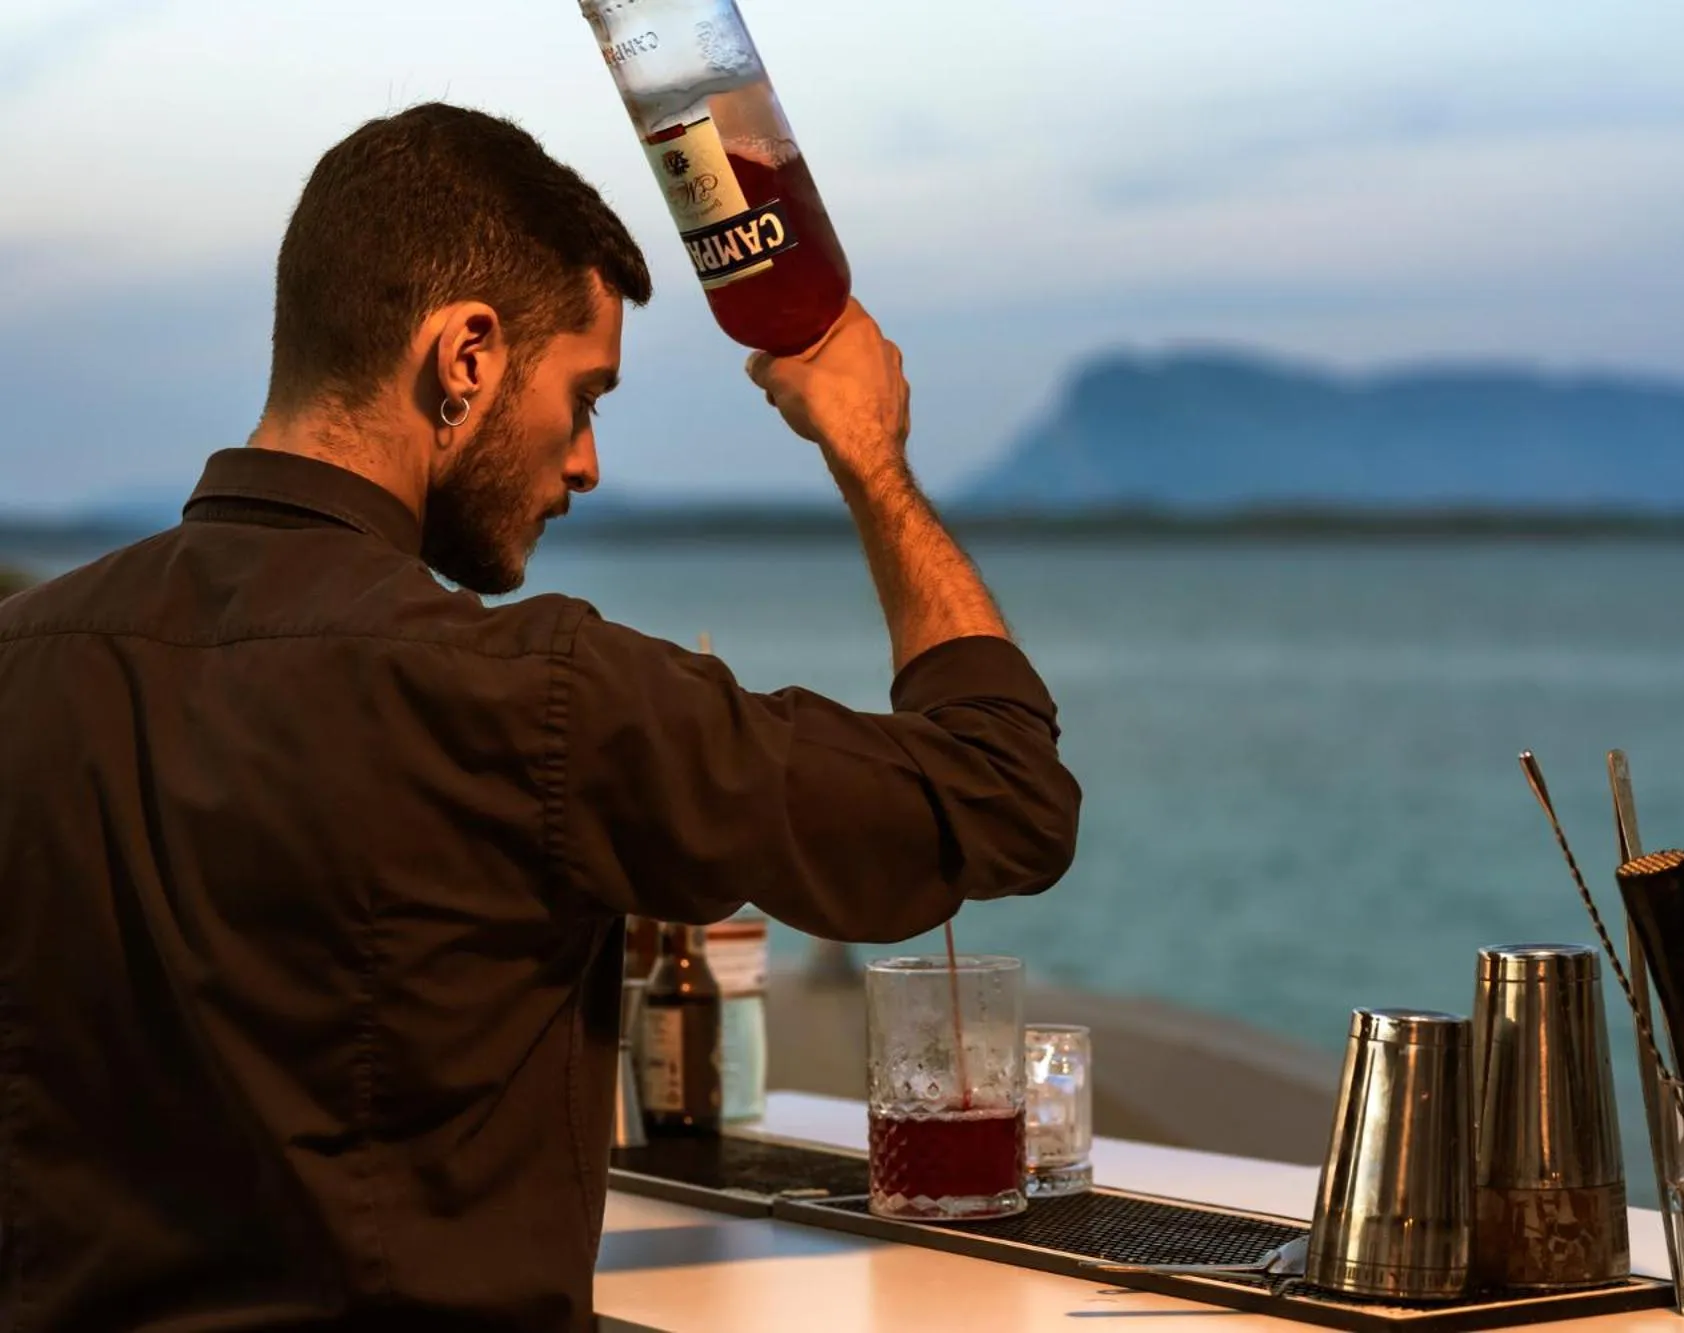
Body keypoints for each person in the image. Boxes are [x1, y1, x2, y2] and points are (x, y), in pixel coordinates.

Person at [0, 102, 1081, 1332]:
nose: (585, 463)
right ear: (465, 355)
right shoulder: (530, 693)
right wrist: (868, 456)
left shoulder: (22, 663)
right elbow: (1000, 798)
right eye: (586, 396)